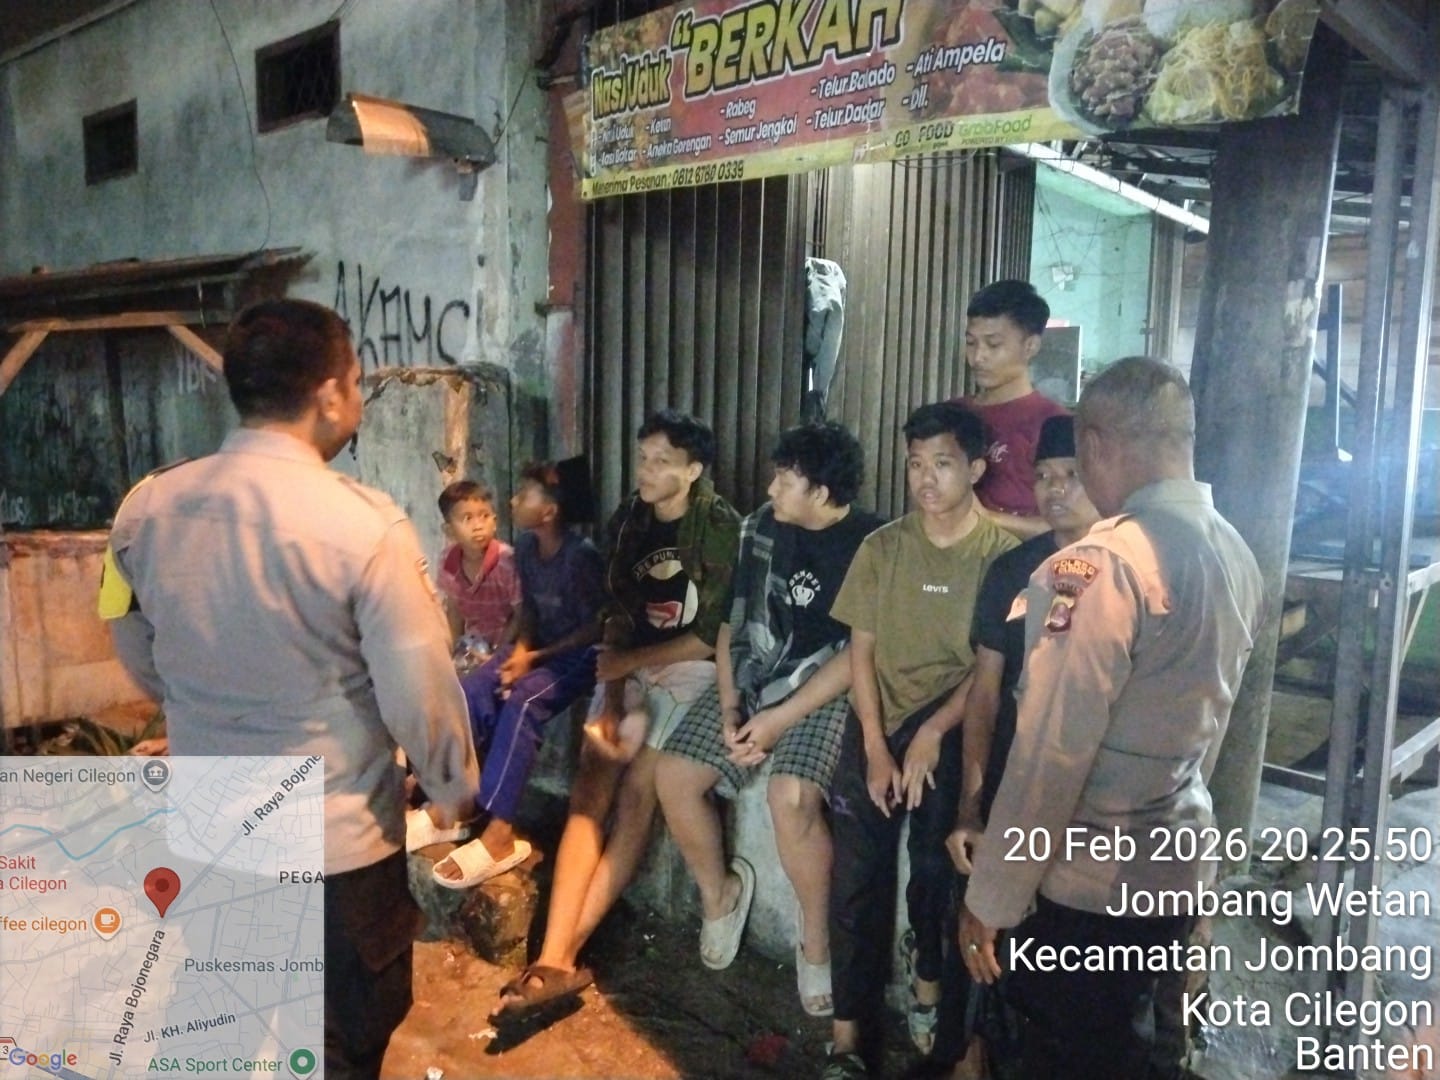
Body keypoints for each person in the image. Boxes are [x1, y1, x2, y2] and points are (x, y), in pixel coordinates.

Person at [99, 298, 479, 1079]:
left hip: (212, 832)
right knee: (340, 1043)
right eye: (357, 383)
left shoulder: (145, 509)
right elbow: (420, 684)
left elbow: (126, 631)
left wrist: (197, 703)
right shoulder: (367, 526)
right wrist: (451, 787)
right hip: (335, 847)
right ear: (331, 394)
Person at [959, 357, 1265, 1080]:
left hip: (1089, 887)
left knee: (1069, 1055)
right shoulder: (1234, 551)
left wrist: (991, 898)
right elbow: (1214, 730)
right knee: (1136, 1049)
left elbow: (1048, 754)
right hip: (1177, 866)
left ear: (1095, 444)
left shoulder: (1098, 566)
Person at [489, 410, 740, 1024]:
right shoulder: (631, 518)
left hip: (688, 667)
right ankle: (555, 959)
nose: (645, 471)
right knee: (589, 789)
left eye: (661, 461)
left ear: (693, 470)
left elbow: (709, 637)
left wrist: (629, 663)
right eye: (642, 458)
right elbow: (618, 615)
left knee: (635, 797)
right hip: (629, 664)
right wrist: (619, 691)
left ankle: (556, 959)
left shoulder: (717, 526)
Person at [655, 422, 882, 1017]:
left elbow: (859, 657)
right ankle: (720, 895)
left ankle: (816, 940)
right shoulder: (760, 529)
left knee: (792, 796)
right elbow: (733, 624)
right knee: (674, 775)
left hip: (827, 682)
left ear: (822, 492)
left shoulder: (872, 543)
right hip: (757, 669)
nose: (771, 488)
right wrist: (732, 703)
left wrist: (778, 720)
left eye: (785, 478)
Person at [822, 402, 1017, 1079]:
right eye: (915, 464)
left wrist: (933, 732)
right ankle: (847, 1037)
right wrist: (876, 747)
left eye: (942, 464)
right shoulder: (883, 548)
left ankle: (929, 981)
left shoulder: (1000, 558)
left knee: (937, 867)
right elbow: (861, 652)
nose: (926, 479)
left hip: (950, 719)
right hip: (880, 716)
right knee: (855, 877)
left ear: (976, 469)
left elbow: (988, 672)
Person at [940, 414, 1101, 1077]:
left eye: (1071, 476)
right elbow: (985, 689)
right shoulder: (1013, 569)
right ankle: (970, 1050)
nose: (1056, 490)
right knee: (978, 924)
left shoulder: (1118, 571)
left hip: (1086, 797)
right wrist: (972, 802)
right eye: (1044, 476)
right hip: (1012, 781)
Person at [424, 458, 606, 888]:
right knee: (473, 688)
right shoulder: (525, 547)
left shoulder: (580, 558)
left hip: (577, 656)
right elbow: (530, 614)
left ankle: (501, 832)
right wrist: (520, 651)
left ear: (549, 511)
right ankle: (456, 800)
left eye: (525, 495)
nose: (512, 501)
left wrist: (534, 656)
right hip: (536, 648)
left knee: (523, 703)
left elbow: (594, 628)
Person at [956, 279, 1069, 541]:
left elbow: (1070, 524)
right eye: (971, 343)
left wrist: (985, 518)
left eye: (993, 344)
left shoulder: (1055, 425)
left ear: (1031, 346)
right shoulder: (950, 416)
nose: (978, 356)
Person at [434, 479, 521, 654]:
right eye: (467, 519)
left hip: (509, 645)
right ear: (449, 531)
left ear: (494, 523)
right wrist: (450, 651)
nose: (478, 526)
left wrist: (497, 654)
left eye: (485, 516)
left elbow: (520, 614)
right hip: (474, 645)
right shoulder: (448, 562)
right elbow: (455, 612)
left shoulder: (506, 561)